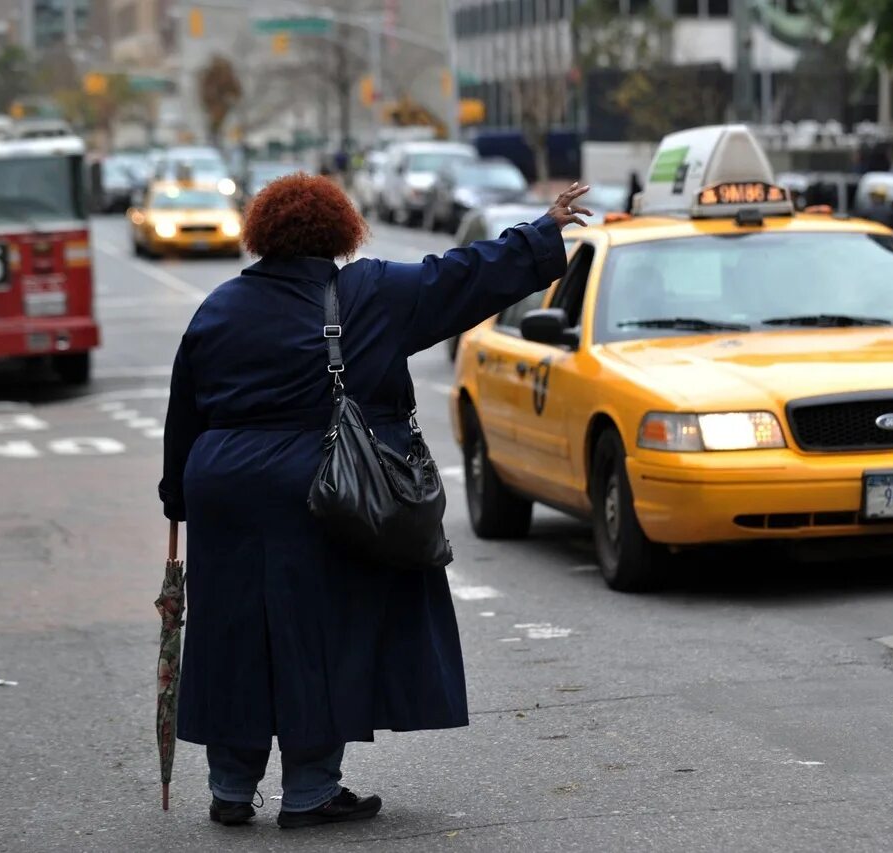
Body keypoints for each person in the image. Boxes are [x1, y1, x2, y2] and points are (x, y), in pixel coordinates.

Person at [159, 175, 590, 829]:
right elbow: (462, 276)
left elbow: (183, 409)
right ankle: (308, 790)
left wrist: (175, 499)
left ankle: (230, 786)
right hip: (321, 482)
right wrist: (542, 229)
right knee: (316, 634)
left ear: (259, 235)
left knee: (233, 633)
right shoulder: (369, 294)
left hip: (221, 485)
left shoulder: (220, 306)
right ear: (340, 231)